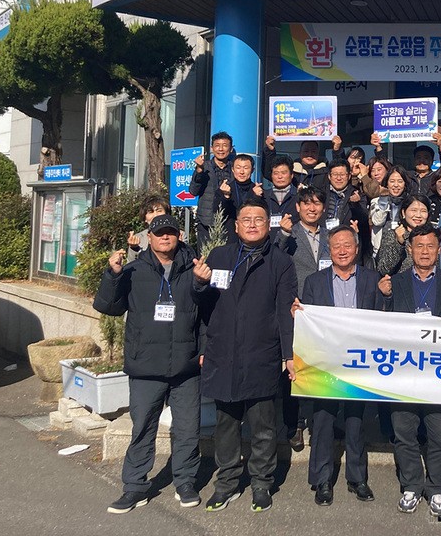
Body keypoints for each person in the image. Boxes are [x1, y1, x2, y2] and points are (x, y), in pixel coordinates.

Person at [191, 197, 297, 513]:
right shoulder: (220, 256)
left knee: (263, 427)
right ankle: (226, 483)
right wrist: (199, 283)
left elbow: (285, 311)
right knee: (225, 425)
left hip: (262, 354)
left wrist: (289, 354)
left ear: (269, 225)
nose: (252, 224)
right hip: (223, 353)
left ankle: (262, 483)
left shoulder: (280, 262)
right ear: (236, 226)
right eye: (246, 219)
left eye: (259, 219)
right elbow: (203, 306)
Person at [96, 214, 202, 514]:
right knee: (142, 428)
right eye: (159, 233)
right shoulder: (133, 270)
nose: (165, 237)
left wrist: (203, 350)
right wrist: (113, 274)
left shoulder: (194, 270)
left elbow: (207, 315)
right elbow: (108, 307)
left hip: (186, 365)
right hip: (145, 365)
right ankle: (134, 486)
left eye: (170, 233)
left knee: (188, 429)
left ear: (179, 236)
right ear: (149, 238)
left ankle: (185, 482)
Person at [295, 225, 392, 506]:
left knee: (356, 422)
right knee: (322, 421)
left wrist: (386, 297)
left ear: (357, 249)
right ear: (329, 249)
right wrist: (298, 314)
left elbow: (385, 320)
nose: (341, 250)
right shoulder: (314, 282)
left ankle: (357, 478)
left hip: (359, 363)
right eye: (336, 245)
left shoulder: (372, 279)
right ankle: (322, 480)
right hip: (325, 363)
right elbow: (308, 321)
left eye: (347, 245)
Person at [386, 225, 441, 517]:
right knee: (404, 433)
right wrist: (383, 296)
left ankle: (437, 488)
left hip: (439, 373)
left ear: (438, 250)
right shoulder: (396, 282)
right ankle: (411, 486)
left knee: (439, 433)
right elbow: (377, 321)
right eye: (419, 246)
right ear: (409, 249)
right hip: (403, 371)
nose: (425, 251)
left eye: (430, 246)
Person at [273, 184, 329, 451]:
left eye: (316, 203)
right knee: (293, 370)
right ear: (297, 207)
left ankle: (320, 422)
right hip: (297, 310)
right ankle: (293, 424)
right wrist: (283, 234)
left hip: (325, 314)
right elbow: (273, 257)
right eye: (306, 203)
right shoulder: (289, 232)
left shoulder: (331, 235)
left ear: (323, 208)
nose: (311, 208)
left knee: (321, 368)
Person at [188, 131, 234, 252]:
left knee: (228, 257)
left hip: (229, 222)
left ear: (231, 149)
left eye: (225, 145)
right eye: (217, 145)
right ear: (212, 148)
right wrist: (199, 170)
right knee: (205, 257)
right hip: (206, 223)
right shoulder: (204, 167)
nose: (221, 149)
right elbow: (193, 191)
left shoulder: (235, 169)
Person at [375, 193, 432, 276]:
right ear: (403, 213)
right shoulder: (392, 235)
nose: (418, 215)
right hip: (399, 282)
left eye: (423, 211)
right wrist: (399, 243)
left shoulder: (431, 237)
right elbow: (383, 269)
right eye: (414, 210)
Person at [368, 165, 412, 262]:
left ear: (405, 184)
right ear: (387, 183)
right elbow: (378, 221)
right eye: (392, 181)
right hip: (381, 252)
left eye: (400, 181)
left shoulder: (410, 203)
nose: (396, 185)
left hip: (404, 251)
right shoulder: (376, 201)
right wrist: (383, 199)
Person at [219, 153, 263, 240]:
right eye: (238, 168)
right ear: (233, 169)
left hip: (252, 236)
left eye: (246, 168)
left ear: (252, 170)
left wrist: (257, 197)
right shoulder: (225, 188)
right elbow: (217, 213)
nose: (242, 172)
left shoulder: (258, 190)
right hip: (229, 237)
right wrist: (226, 196)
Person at [126, 194, 171, 262]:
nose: (155, 215)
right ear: (145, 218)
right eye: (150, 212)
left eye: (159, 211)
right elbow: (131, 264)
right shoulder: (137, 238)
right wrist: (134, 248)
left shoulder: (178, 235)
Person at [264, 155, 298, 240]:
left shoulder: (299, 197)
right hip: (267, 242)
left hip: (292, 242)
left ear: (291, 175)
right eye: (276, 173)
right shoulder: (263, 196)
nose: (280, 177)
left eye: (283, 173)